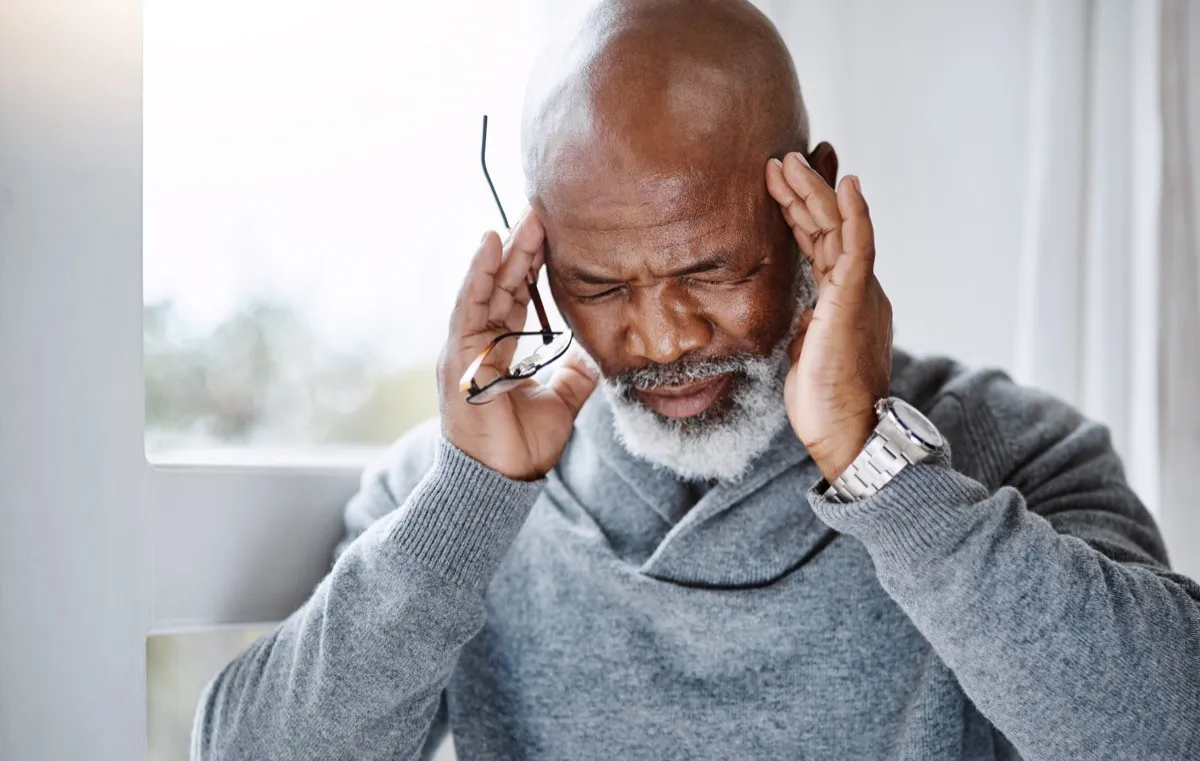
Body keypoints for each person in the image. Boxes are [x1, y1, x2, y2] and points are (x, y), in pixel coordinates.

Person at [191, 2, 1200, 759]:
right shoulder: (451, 492)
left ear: (808, 203)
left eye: (711, 270)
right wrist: (471, 498)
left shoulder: (1010, 445)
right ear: (541, 259)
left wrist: (878, 465)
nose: (664, 337)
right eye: (600, 284)